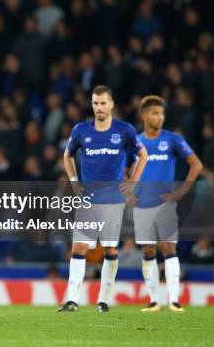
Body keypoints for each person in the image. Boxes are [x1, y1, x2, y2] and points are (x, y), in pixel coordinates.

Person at [59, 85, 148, 313]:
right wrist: (73, 179)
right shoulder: (81, 130)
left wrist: (133, 182)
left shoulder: (124, 130)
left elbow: (142, 155)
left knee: (110, 250)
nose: (99, 107)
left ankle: (103, 300)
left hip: (112, 200)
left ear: (111, 104)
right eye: (95, 103)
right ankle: (72, 300)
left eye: (103, 103)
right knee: (79, 247)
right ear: (92, 104)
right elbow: (67, 155)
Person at [131, 95, 203, 312]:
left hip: (165, 204)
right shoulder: (135, 142)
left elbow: (196, 165)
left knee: (169, 248)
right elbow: (125, 169)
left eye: (162, 113)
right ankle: (154, 301)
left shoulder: (172, 139)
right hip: (142, 205)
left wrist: (180, 192)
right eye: (155, 113)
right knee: (147, 251)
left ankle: (174, 300)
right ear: (144, 116)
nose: (160, 117)